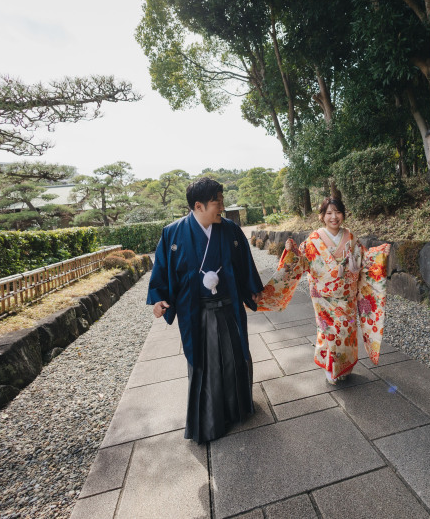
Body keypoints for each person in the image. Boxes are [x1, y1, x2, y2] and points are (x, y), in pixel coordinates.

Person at [147, 177, 263, 443]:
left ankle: (238, 410)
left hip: (229, 308)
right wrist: (159, 299)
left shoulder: (231, 230)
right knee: (204, 364)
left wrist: (252, 289)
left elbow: (244, 263)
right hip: (196, 312)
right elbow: (162, 271)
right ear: (198, 206)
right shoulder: (172, 233)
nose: (222, 206)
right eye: (217, 202)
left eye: (221, 200)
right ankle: (210, 420)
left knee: (235, 359)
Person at [257, 197, 390, 384]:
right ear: (322, 216)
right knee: (329, 332)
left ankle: (344, 368)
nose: (334, 217)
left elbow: (366, 261)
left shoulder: (351, 238)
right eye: (329, 213)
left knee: (347, 332)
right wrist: (292, 253)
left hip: (347, 296)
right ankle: (331, 369)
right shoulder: (313, 240)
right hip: (323, 297)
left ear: (343, 214)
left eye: (337, 212)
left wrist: (379, 254)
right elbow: (302, 262)